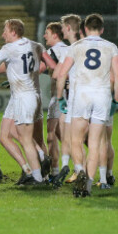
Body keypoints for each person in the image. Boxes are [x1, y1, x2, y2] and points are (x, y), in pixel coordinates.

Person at [0, 19, 46, 185]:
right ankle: (29, 168)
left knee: (25, 139)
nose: (2, 34)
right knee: (4, 136)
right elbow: (43, 63)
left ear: (13, 31)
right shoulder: (34, 44)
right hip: (22, 95)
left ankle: (38, 177)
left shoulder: (10, 48)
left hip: (24, 96)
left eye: (5, 30)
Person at [55, 13, 118, 197]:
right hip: (101, 96)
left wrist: (60, 97)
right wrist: (115, 100)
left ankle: (80, 171)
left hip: (82, 96)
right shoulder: (111, 47)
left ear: (85, 29)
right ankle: (89, 186)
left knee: (75, 140)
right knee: (95, 144)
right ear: (102, 29)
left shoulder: (76, 46)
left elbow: (61, 74)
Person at [52, 14, 82, 186]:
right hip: (96, 95)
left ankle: (75, 169)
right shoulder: (89, 46)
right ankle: (104, 175)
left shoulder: (70, 50)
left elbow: (58, 74)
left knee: (71, 135)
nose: (61, 29)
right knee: (95, 138)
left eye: (63, 27)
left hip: (74, 97)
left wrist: (59, 97)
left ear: (69, 28)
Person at [43, 22, 69, 181]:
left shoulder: (52, 51)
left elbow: (40, 68)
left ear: (54, 35)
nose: (45, 36)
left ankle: (54, 172)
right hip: (73, 96)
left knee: (51, 136)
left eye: (47, 33)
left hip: (59, 97)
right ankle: (84, 168)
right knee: (64, 135)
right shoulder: (70, 49)